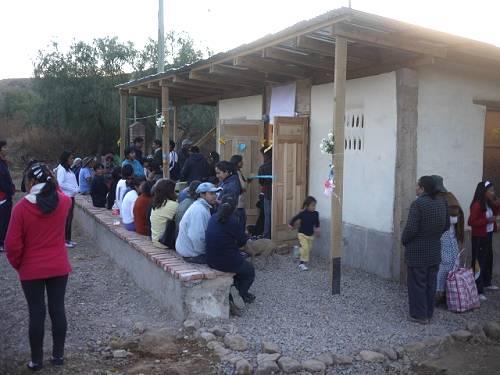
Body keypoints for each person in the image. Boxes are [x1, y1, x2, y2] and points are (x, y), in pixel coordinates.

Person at [5, 162, 72, 371]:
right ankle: (58, 356)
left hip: (31, 269)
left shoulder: (22, 208)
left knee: (36, 312)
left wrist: (20, 265)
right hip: (59, 266)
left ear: (31, 182)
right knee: (58, 309)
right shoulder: (63, 202)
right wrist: (52, 179)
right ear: (51, 180)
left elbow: (11, 245)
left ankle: (36, 360)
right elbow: (60, 191)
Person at [402, 176, 449, 324]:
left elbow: (411, 229)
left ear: (423, 188)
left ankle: (419, 315)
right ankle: (429, 313)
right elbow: (446, 226)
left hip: (417, 252)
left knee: (417, 284)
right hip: (434, 250)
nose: (415, 188)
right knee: (431, 283)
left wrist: (404, 239)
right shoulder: (442, 203)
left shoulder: (418, 204)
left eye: (417, 185)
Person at [206, 196, 255, 315]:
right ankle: (236, 296)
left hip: (210, 259)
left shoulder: (213, 217)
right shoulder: (233, 221)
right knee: (249, 271)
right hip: (227, 261)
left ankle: (235, 288)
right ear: (234, 208)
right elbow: (242, 242)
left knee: (239, 266)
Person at [432, 175, 464, 306]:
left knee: (441, 268)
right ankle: (450, 293)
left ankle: (438, 295)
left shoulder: (439, 199)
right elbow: (457, 217)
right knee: (451, 266)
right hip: (452, 235)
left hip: (442, 236)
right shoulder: (451, 196)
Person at [468, 180, 500, 301]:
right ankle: (477, 289)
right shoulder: (477, 205)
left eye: (493, 190)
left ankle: (487, 282)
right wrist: (487, 221)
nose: (493, 192)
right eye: (490, 190)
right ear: (484, 191)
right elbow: (471, 222)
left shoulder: (488, 203)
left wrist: (497, 205)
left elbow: (494, 216)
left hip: (488, 234)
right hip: (479, 237)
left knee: (488, 259)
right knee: (479, 262)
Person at [176, 182, 221, 263]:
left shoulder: (202, 206)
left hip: (191, 251)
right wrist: (205, 252)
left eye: (215, 193)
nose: (215, 196)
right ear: (202, 195)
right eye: (211, 193)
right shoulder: (199, 210)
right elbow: (197, 237)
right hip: (192, 254)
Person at [289, 196, 320, 271]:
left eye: (315, 205)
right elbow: (294, 218)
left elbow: (317, 222)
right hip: (302, 234)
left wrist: (318, 228)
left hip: (310, 235)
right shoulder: (303, 213)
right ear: (307, 205)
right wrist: (290, 225)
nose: (314, 207)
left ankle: (297, 250)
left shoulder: (316, 214)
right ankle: (301, 263)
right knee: (305, 248)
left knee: (308, 249)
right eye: (312, 205)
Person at [56, 151, 80, 248]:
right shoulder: (61, 169)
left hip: (71, 196)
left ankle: (68, 239)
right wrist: (73, 189)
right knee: (66, 219)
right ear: (66, 159)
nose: (72, 160)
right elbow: (60, 184)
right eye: (70, 158)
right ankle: (64, 240)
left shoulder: (68, 169)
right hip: (66, 196)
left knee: (69, 218)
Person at [150, 179, 179, 248]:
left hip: (155, 240)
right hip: (165, 242)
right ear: (170, 191)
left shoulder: (156, 204)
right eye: (174, 190)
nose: (176, 193)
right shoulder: (173, 205)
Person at [0, 140, 15, 252]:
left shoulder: (3, 162)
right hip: (3, 197)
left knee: (6, 220)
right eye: (4, 147)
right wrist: (9, 190)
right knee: (3, 221)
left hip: (7, 195)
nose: (7, 149)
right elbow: (2, 182)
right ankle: (1, 244)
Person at [258, 146, 273, 239]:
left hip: (267, 193)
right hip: (281, 193)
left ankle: (267, 236)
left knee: (268, 215)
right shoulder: (280, 165)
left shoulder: (263, 167)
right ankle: (279, 235)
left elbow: (261, 181)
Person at [230, 155, 248, 231]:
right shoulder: (237, 172)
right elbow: (243, 186)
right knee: (241, 220)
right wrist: (246, 182)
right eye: (241, 161)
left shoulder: (232, 171)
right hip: (239, 201)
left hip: (235, 200)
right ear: (237, 162)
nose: (242, 163)